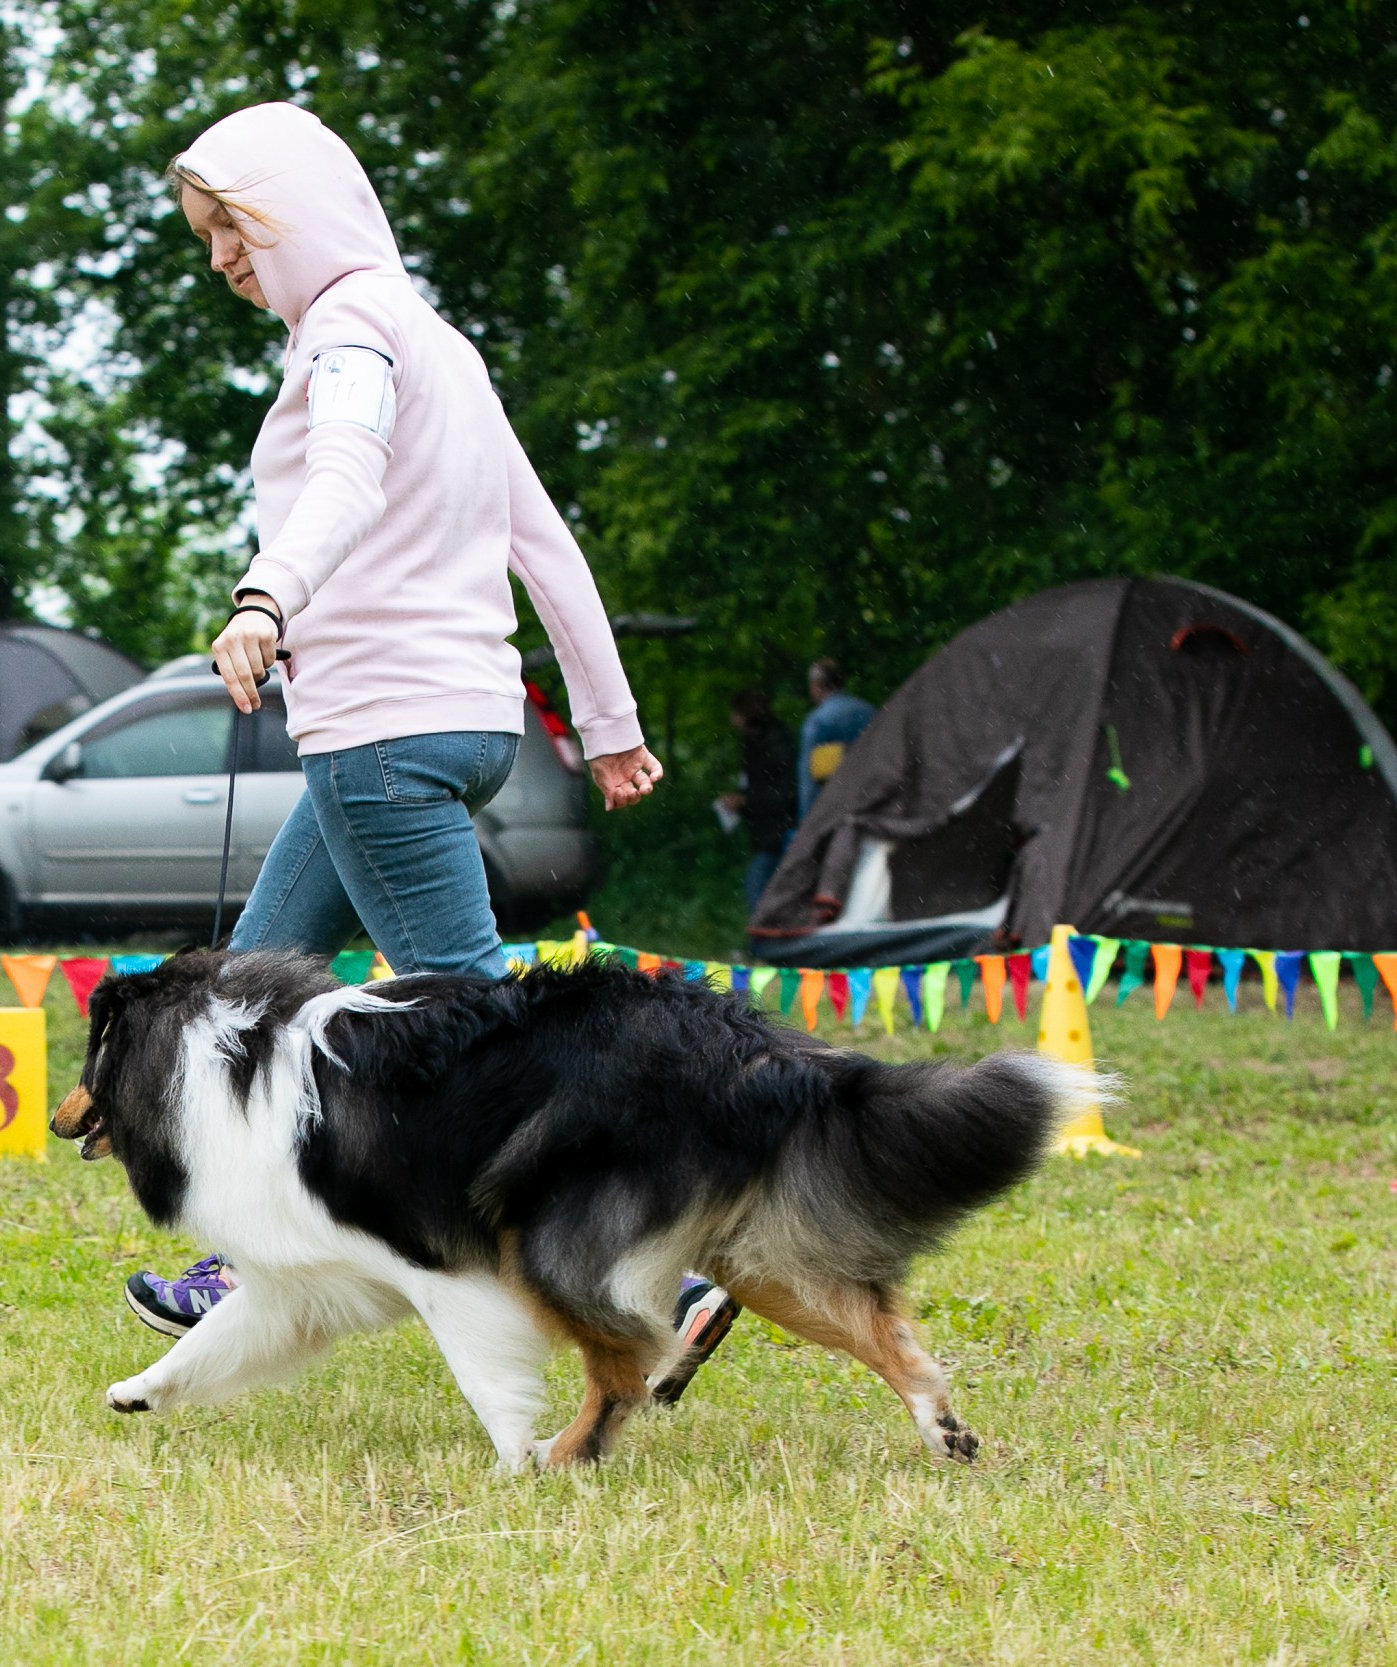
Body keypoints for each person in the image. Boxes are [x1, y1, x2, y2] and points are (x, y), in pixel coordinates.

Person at [119, 103, 738, 1406]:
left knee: (482, 1039)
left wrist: (264, 596)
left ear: (296, 204)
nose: (222, 257)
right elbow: (546, 541)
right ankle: (248, 1258)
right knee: (241, 985)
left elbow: (340, 475)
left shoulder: (349, 337)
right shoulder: (439, 344)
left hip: (380, 737)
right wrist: (610, 722)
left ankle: (664, 1281)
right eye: (206, 236)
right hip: (453, 726)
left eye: (230, 225)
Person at [718, 688, 796, 911]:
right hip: (764, 832)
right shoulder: (753, 744)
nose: (732, 720)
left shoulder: (776, 744)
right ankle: (764, 940)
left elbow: (782, 793)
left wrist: (746, 801)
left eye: (735, 713)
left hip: (779, 832)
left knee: (758, 886)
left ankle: (762, 943)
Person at [796, 658, 876, 820]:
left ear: (817, 686)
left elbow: (809, 776)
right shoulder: (868, 711)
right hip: (871, 803)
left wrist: (807, 820)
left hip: (834, 813)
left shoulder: (817, 721)